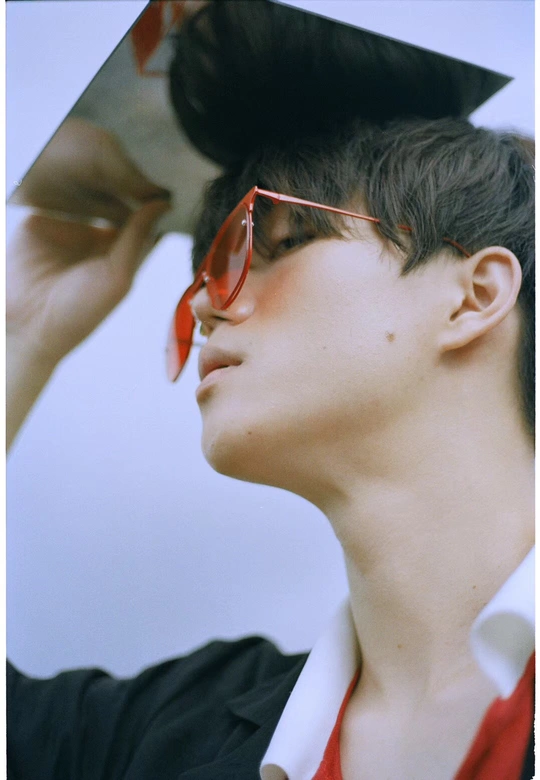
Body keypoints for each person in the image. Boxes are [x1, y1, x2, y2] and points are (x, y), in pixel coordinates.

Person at [7, 4, 534, 780]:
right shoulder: (169, 735)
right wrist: (18, 337)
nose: (204, 304)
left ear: (472, 296)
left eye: (274, 243)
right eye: (208, 271)